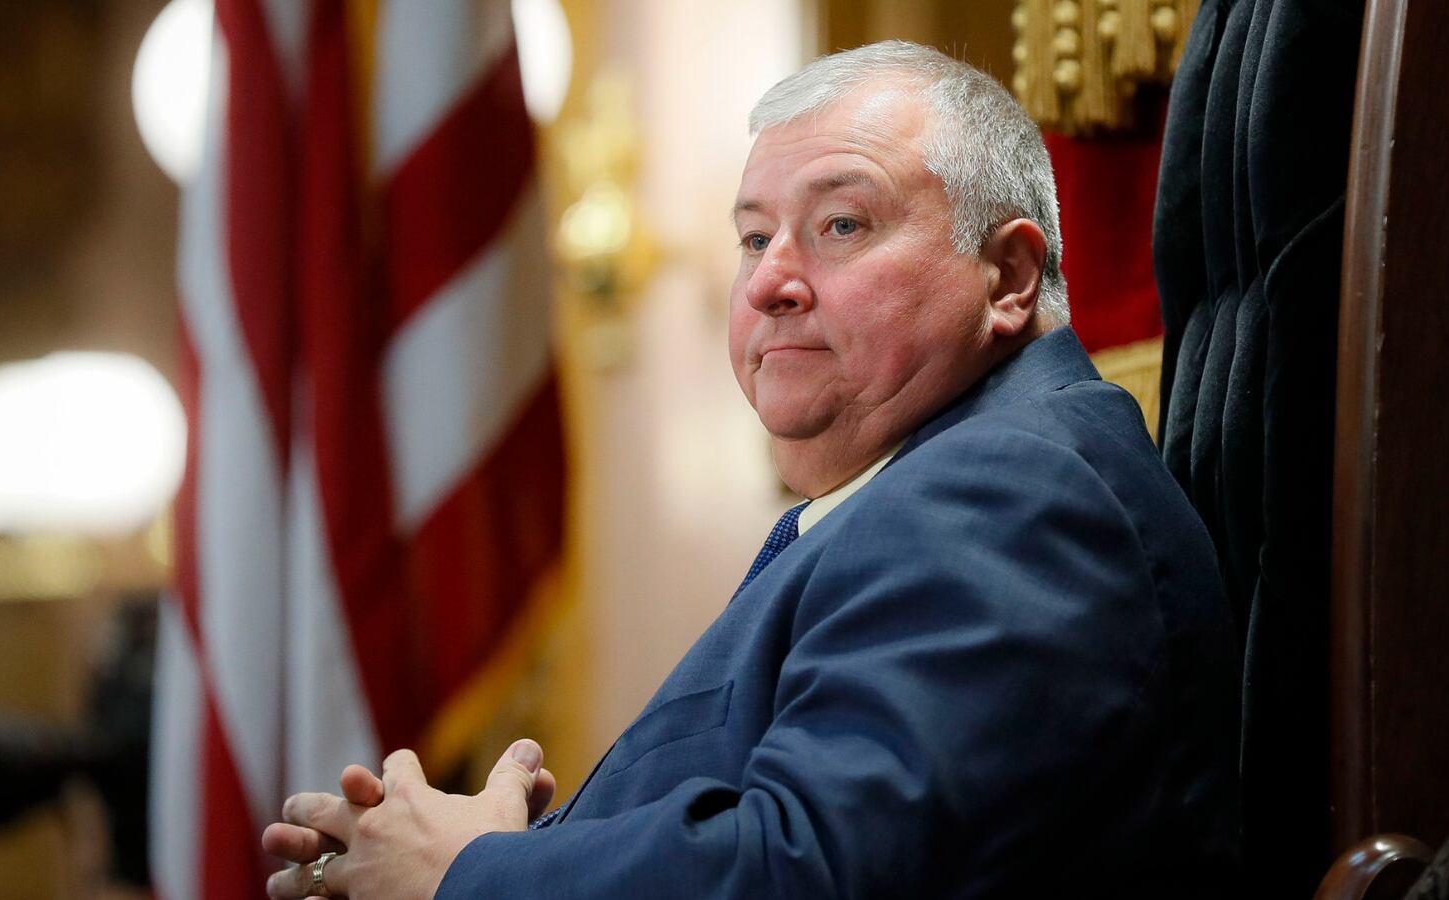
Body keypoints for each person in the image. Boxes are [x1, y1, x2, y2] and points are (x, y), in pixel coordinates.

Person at [263, 40, 1241, 899]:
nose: (770, 279)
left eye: (841, 224)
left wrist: (467, 877)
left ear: (1009, 279)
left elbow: (811, 871)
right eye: (752, 236)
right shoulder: (933, 486)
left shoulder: (1010, 494)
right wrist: (511, 846)